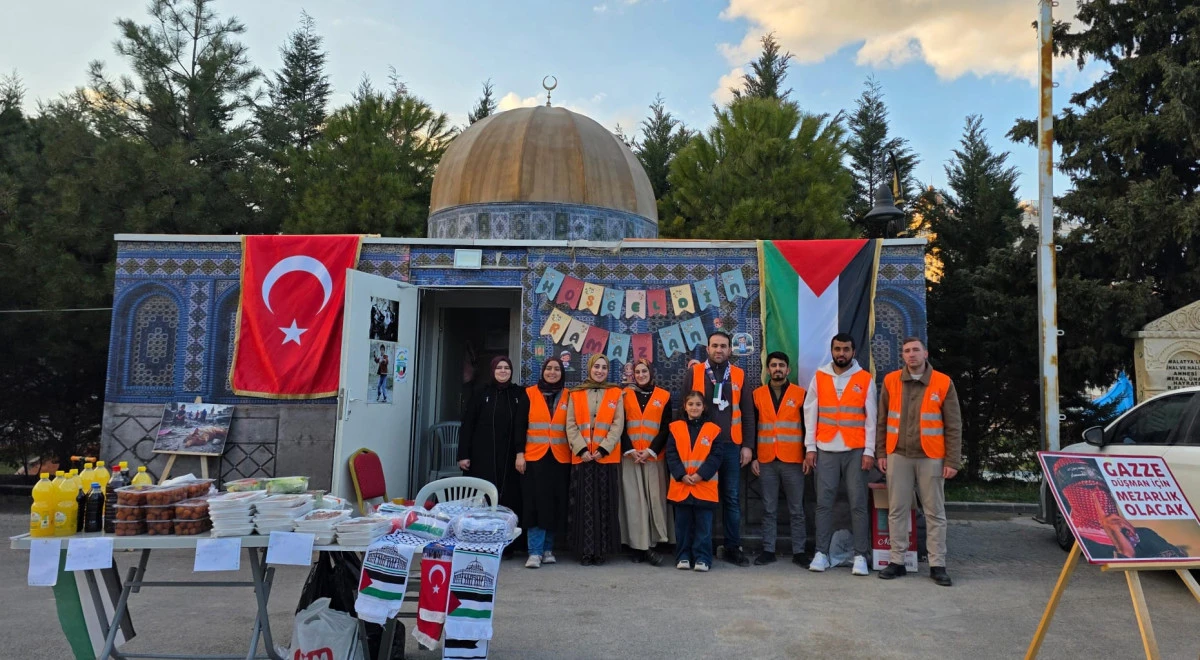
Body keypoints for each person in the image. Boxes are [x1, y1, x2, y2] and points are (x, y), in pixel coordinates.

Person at [876, 337, 961, 586]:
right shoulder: (891, 381)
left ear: (926, 353)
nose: (911, 354)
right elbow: (882, 420)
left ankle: (937, 565)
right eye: (906, 351)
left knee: (935, 512)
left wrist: (952, 460)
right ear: (902, 355)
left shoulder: (943, 382)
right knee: (897, 510)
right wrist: (881, 453)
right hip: (898, 454)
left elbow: (954, 425)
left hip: (931, 457)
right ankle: (897, 561)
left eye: (915, 350)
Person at [804, 333, 876, 577]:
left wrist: (869, 450)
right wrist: (810, 447)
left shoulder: (864, 378)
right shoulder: (820, 376)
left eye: (846, 349)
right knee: (823, 504)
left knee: (858, 504)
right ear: (832, 350)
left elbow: (872, 418)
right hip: (825, 448)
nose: (841, 353)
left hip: (856, 450)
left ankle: (860, 555)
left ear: (853, 352)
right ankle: (821, 553)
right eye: (837, 349)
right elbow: (810, 413)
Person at [684, 330, 756, 567]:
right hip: (700, 447)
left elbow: (748, 413)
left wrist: (748, 446)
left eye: (723, 346)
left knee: (731, 498)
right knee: (700, 498)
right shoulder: (694, 372)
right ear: (707, 349)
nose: (719, 350)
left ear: (730, 350)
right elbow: (682, 409)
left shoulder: (739, 374)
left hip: (731, 446)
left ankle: (733, 547)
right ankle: (697, 549)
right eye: (714, 345)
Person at [1052, 458, 1187, 560]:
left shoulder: (1144, 534)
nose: (1099, 493)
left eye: (1104, 489)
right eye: (1088, 488)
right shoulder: (1087, 542)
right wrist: (1122, 546)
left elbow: (1178, 558)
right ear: (1068, 494)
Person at [458, 356, 528, 550]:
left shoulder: (518, 393)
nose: (503, 371)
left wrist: (521, 452)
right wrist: (463, 454)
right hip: (483, 455)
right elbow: (468, 424)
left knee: (510, 498)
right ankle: (481, 541)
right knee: (483, 498)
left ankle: (509, 545)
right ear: (492, 370)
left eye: (507, 368)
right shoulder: (481, 392)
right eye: (499, 368)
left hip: (510, 456)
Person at [750, 351, 808, 567]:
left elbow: (807, 427)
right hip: (766, 460)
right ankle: (768, 550)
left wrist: (807, 455)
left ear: (788, 369)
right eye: (773, 365)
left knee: (797, 509)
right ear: (767, 369)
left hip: (794, 460)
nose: (777, 369)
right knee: (768, 509)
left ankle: (799, 552)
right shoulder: (757, 395)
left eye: (781, 365)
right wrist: (754, 456)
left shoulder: (800, 394)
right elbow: (753, 427)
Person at [566, 355, 625, 566]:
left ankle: (601, 552)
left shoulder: (616, 393)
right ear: (589, 368)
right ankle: (585, 551)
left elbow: (618, 424)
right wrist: (581, 449)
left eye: (604, 367)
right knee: (584, 505)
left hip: (605, 458)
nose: (600, 371)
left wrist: (603, 449)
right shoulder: (575, 393)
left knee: (604, 503)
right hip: (582, 457)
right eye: (596, 367)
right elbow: (571, 424)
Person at [517, 358, 571, 569]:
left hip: (560, 457)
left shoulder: (568, 395)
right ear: (542, 371)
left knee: (555, 503)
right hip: (534, 457)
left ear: (562, 373)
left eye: (557, 369)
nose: (552, 372)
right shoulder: (529, 394)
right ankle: (535, 552)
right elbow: (520, 426)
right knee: (535, 504)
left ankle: (548, 550)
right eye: (549, 368)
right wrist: (519, 454)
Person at [619, 359, 673, 566]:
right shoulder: (624, 395)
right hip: (631, 457)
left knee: (654, 501)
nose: (641, 375)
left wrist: (651, 450)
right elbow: (619, 425)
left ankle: (653, 544)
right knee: (634, 503)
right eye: (637, 372)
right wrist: (630, 449)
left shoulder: (664, 396)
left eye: (644, 371)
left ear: (651, 373)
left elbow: (666, 427)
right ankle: (637, 546)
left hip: (653, 458)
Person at [665, 391, 724, 572]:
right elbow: (671, 454)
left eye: (698, 404)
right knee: (682, 525)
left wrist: (701, 475)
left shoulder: (713, 430)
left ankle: (702, 558)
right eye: (690, 404)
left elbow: (716, 456)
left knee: (703, 526)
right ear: (685, 406)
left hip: (704, 485)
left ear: (704, 407)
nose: (694, 408)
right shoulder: (675, 428)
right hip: (681, 485)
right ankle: (683, 556)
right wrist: (681, 475)